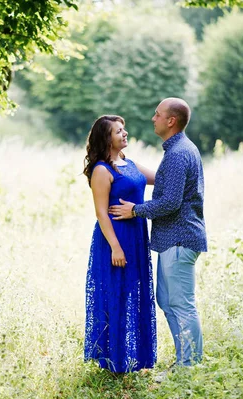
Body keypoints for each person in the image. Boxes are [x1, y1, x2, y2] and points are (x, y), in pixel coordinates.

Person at [109, 98, 207, 378]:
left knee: (181, 304)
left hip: (180, 238)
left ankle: (190, 368)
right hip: (174, 239)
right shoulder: (178, 150)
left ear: (170, 121)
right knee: (167, 300)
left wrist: (134, 211)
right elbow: (162, 185)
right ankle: (185, 363)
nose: (153, 118)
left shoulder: (178, 153)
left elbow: (170, 202)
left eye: (157, 114)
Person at [83, 114, 157, 373]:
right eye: (118, 131)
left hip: (136, 238)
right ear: (107, 138)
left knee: (134, 296)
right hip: (115, 240)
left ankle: (135, 358)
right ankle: (113, 362)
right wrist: (115, 246)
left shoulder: (129, 163)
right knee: (115, 295)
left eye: (124, 129)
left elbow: (159, 178)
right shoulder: (102, 170)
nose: (125, 134)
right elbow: (101, 213)